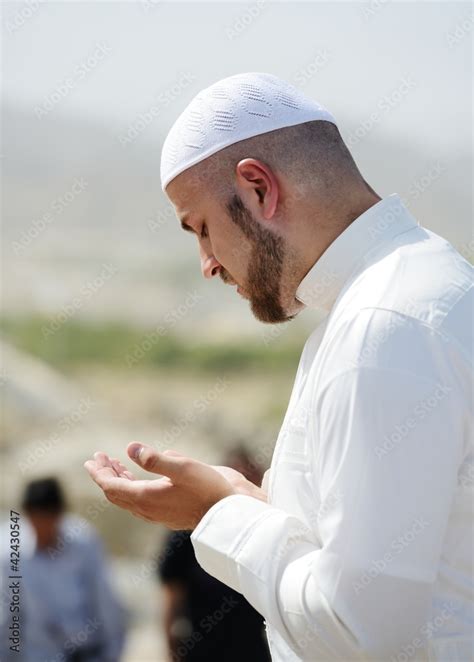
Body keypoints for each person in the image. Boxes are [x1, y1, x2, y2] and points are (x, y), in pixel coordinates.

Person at [84, 73, 473, 661]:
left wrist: (218, 514)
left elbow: (358, 628)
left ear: (259, 188)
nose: (207, 264)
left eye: (202, 228)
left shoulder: (381, 324)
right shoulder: (410, 285)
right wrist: (244, 498)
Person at [157, 446, 270, 662]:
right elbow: (171, 594)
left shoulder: (265, 531)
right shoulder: (190, 531)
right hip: (201, 649)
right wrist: (171, 647)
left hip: (252, 650)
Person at [0, 477, 127, 661]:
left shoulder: (84, 542)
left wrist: (112, 652)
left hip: (86, 653)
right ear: (27, 515)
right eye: (37, 519)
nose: (43, 528)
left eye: (49, 518)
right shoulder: (9, 552)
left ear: (60, 514)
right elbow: (6, 614)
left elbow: (105, 602)